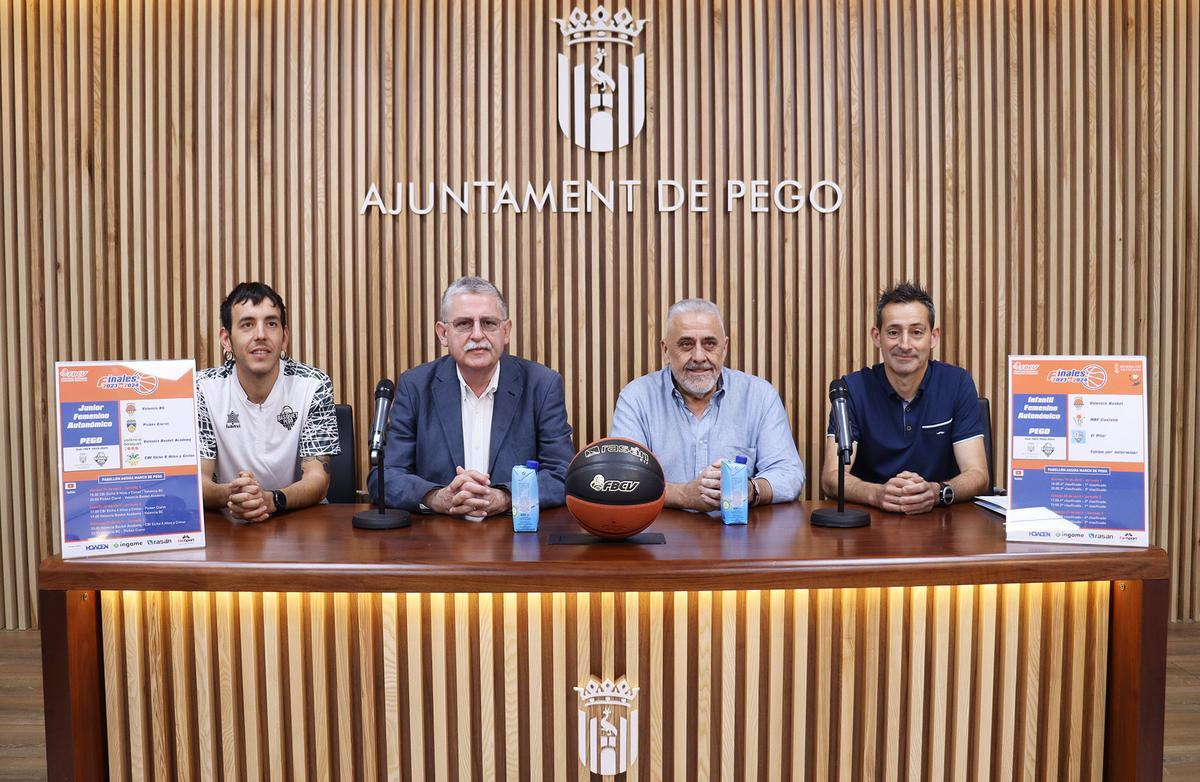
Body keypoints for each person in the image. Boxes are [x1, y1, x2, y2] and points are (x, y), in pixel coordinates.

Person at [369, 277, 575, 517]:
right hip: (436, 541)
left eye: (488, 323)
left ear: (505, 331)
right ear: (443, 333)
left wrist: (506, 496)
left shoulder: (541, 385)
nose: (478, 335)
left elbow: (563, 474)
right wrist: (437, 497)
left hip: (516, 539)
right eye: (464, 324)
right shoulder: (416, 386)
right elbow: (385, 476)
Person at [610, 298, 805, 512]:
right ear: (665, 350)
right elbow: (622, 480)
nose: (699, 356)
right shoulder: (636, 398)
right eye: (686, 344)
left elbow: (789, 474)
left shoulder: (759, 396)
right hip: (661, 537)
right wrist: (683, 495)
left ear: (725, 347)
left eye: (710, 344)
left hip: (741, 538)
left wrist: (750, 490)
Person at [820, 281, 989, 514]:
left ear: (934, 337)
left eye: (917, 332)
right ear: (877, 337)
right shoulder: (852, 389)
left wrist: (936, 492)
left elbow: (978, 474)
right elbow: (831, 477)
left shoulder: (956, 384)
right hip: (871, 526)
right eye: (893, 332)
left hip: (942, 525)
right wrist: (876, 494)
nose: (905, 344)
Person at [197, 282, 340, 522]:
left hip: (298, 520)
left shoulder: (314, 384)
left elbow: (318, 479)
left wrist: (271, 500)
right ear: (226, 339)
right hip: (228, 523)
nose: (261, 335)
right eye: (247, 324)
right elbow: (197, 479)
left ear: (284, 337)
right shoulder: (202, 388)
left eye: (271, 323)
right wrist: (235, 495)